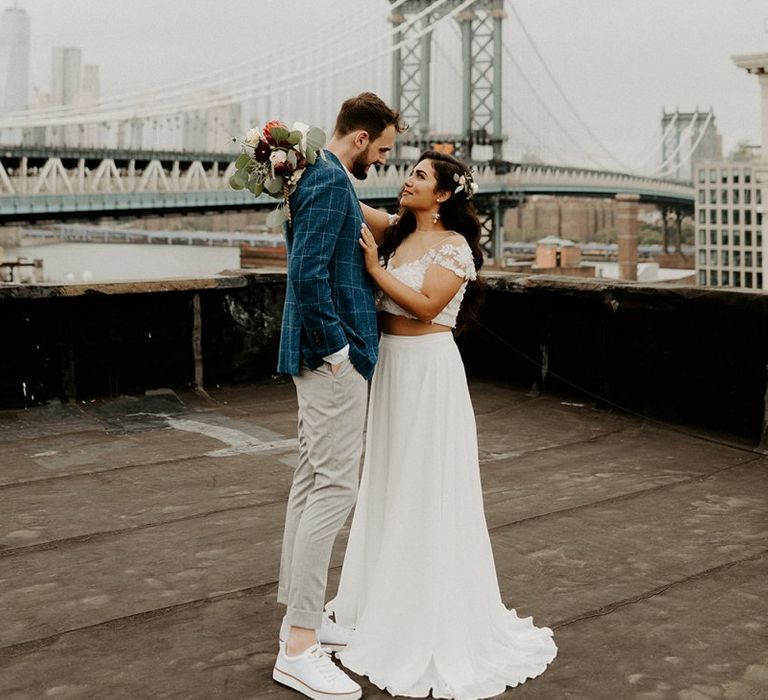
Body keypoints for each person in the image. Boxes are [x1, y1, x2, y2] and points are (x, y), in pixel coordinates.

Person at [326, 150, 558, 698]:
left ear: (446, 195)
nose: (407, 179)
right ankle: (378, 599)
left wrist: (375, 271)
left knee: (425, 486)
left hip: (429, 373)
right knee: (386, 481)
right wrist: (295, 161)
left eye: (421, 176)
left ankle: (423, 613)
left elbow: (428, 307)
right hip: (390, 370)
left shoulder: (453, 247)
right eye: (408, 170)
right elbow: (343, 199)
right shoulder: (394, 228)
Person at [272, 93, 406, 700]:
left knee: (311, 483)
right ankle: (298, 646)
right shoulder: (329, 182)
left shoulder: (321, 176)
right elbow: (306, 273)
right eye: (381, 150)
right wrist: (338, 353)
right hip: (332, 361)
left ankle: (299, 620)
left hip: (320, 359)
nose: (381, 161)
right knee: (334, 490)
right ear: (359, 139)